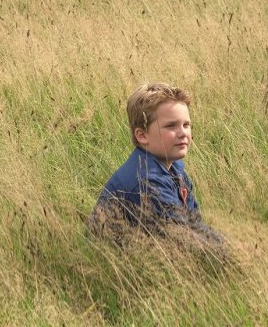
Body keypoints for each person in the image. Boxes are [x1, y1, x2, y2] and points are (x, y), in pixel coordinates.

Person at [88, 82, 222, 247]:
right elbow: (186, 241)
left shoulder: (174, 168)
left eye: (186, 125)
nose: (183, 133)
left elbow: (195, 224)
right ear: (142, 135)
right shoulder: (147, 182)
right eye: (171, 126)